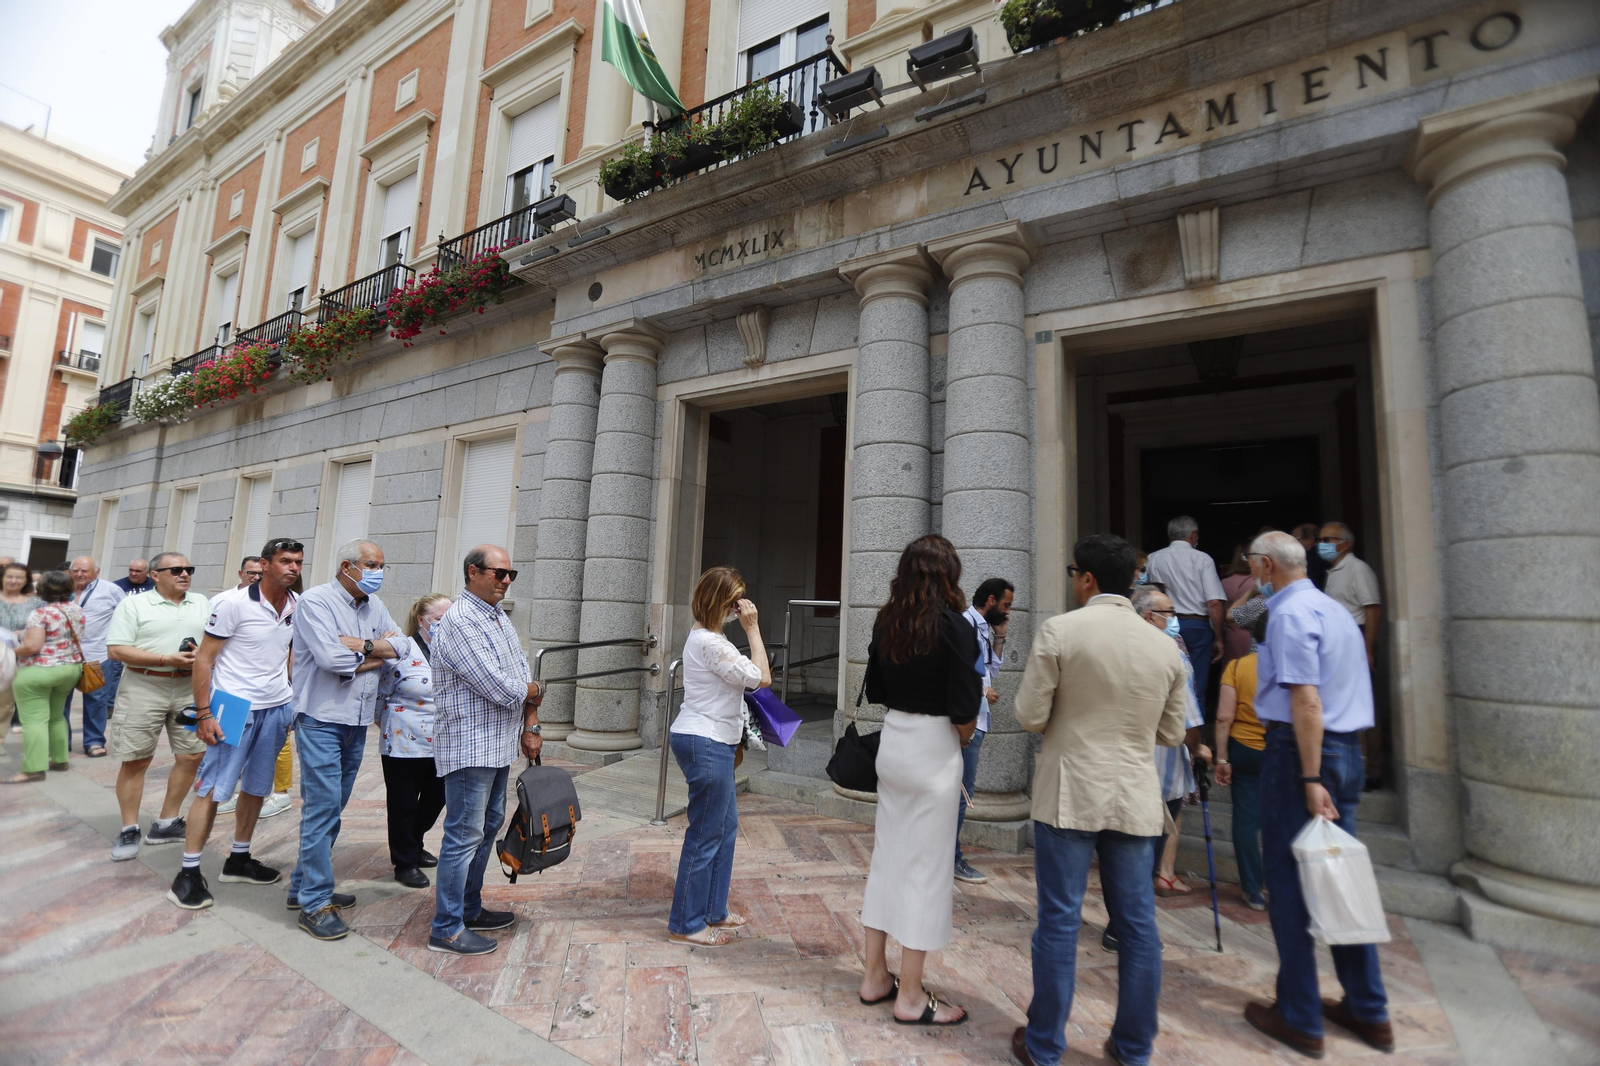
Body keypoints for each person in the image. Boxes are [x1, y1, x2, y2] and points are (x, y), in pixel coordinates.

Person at [1011, 534, 1189, 1066]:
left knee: (1061, 921)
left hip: (1070, 790)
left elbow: (1030, 715)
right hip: (1134, 793)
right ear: (1131, 580)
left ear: (1085, 578)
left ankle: (1045, 1045)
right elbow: (1174, 732)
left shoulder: (1062, 630)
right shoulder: (1165, 646)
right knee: (1138, 928)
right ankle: (1133, 1048)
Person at [1242, 532, 1392, 1058]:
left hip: (1303, 753)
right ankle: (1369, 1008)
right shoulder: (1332, 610)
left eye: (1252, 565)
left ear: (1265, 565)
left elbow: (1305, 701)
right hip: (1346, 749)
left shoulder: (1287, 613)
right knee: (1342, 877)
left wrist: (1309, 779)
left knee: (1288, 883)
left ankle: (1300, 1014)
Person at [857, 534, 981, 1027]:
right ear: (949, 575)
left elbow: (878, 688)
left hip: (895, 739)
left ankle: (874, 976)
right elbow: (966, 709)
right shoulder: (955, 626)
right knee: (926, 871)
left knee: (887, 858)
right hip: (934, 745)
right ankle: (910, 995)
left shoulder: (888, 620)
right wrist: (963, 738)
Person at [168, 538, 303, 910]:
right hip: (232, 706)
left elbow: (288, 657)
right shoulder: (232, 603)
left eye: (298, 562)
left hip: (276, 707)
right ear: (265, 563)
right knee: (212, 788)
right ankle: (189, 872)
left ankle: (239, 858)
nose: (293, 568)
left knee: (258, 787)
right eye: (285, 561)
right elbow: (204, 660)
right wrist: (205, 712)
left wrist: (293, 701)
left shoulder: (295, 604)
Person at [287, 539, 410, 939]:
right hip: (321, 718)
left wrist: (363, 648)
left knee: (333, 807)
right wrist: (378, 652)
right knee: (322, 810)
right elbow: (331, 660)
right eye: (372, 564)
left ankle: (302, 886)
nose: (378, 572)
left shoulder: (374, 606)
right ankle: (315, 903)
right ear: (347, 565)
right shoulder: (317, 602)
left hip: (356, 721)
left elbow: (404, 646)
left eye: (382, 565)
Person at [429, 545, 545, 956]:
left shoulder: (496, 617)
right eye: (499, 574)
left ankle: (469, 908)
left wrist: (530, 717)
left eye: (511, 574)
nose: (506, 581)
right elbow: (502, 687)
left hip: (496, 746)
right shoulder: (460, 621)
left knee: (487, 827)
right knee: (463, 835)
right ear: (473, 572)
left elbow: (520, 672)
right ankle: (445, 927)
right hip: (468, 746)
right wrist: (532, 691)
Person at [666, 567, 771, 946]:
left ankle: (713, 910)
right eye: (733, 601)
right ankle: (687, 923)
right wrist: (753, 629)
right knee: (705, 835)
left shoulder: (710, 638)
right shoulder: (712, 643)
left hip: (710, 738)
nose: (739, 607)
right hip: (704, 740)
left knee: (723, 829)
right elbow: (762, 677)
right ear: (717, 602)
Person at [103, 553, 209, 861]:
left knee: (192, 755)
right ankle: (129, 827)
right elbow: (116, 650)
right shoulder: (133, 604)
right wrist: (165, 659)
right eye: (176, 570)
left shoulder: (202, 602)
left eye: (189, 569)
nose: (184, 574)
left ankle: (166, 821)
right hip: (144, 686)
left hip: (191, 688)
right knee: (136, 760)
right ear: (155, 575)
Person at [1130, 585, 1208, 899]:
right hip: (1162, 769)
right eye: (1170, 613)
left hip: (1127, 764)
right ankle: (1130, 924)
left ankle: (1119, 922)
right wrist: (1198, 747)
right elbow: (1188, 720)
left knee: (1124, 852)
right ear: (1151, 617)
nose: (1174, 619)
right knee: (1146, 852)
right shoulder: (1172, 656)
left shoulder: (1121, 648)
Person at [379, 594, 451, 889]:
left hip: (443, 741)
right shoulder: (403, 648)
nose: (445, 624)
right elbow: (380, 691)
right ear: (422, 621)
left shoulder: (452, 649)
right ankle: (404, 861)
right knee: (404, 803)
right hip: (403, 741)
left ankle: (415, 842)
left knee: (436, 799)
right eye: (438, 619)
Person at [1318, 521, 1384, 790]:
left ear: (1345, 543)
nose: (1322, 544)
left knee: (1362, 704)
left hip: (1355, 640)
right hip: (1337, 643)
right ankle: (1351, 765)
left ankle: (1372, 769)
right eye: (1321, 539)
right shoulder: (1334, 571)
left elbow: (1373, 609)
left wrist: (1367, 647)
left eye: (1328, 539)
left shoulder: (1358, 569)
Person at [955, 576, 1012, 886]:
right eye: (1005, 605)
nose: (1007, 612)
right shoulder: (964, 624)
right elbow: (959, 670)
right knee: (961, 793)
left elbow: (989, 671)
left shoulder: (985, 629)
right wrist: (980, 690)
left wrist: (1000, 637)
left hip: (979, 718)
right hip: (968, 720)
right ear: (990, 601)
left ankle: (949, 855)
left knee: (963, 792)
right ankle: (952, 859)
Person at [3, 571, 84, 783]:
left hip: (39, 670)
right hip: (69, 669)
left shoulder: (40, 613)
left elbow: (32, 646)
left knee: (33, 721)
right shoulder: (77, 610)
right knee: (57, 715)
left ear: (42, 590)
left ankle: (34, 769)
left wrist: (8, 651)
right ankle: (60, 759)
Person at [1143, 516, 1225, 702]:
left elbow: (1145, 594)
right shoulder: (1203, 559)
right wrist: (1220, 638)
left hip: (1162, 624)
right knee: (1196, 683)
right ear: (1193, 535)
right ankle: (1194, 728)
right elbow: (1213, 602)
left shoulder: (1152, 559)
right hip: (1197, 627)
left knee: (1164, 681)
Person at [1215, 633, 1267, 910]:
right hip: (1282, 751)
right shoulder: (1293, 664)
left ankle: (1253, 889)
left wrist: (1222, 758)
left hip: (1245, 749)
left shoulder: (1237, 667)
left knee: (1246, 822)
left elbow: (1224, 716)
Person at [64, 556, 125, 758]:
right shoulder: (61, 588)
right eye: (76, 570)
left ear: (96, 572)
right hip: (63, 656)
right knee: (61, 700)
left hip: (97, 654)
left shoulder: (111, 590)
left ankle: (94, 741)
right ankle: (61, 741)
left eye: (85, 571)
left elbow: (126, 615)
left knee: (96, 699)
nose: (79, 574)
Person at [1, 563, 43, 737]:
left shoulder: (35, 602)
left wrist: (25, 632)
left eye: (19, 577)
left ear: (26, 580)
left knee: (10, 696)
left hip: (21, 653)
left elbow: (42, 626)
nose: (13, 581)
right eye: (9, 576)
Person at [1220, 544, 1256, 664]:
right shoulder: (1259, 583)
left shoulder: (1225, 582)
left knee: (1231, 674)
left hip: (1231, 636)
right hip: (1251, 636)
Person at [1292, 524, 1329, 591]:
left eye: (1295, 539)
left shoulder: (1311, 559)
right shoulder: (1328, 554)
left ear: (1310, 539)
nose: (1292, 543)